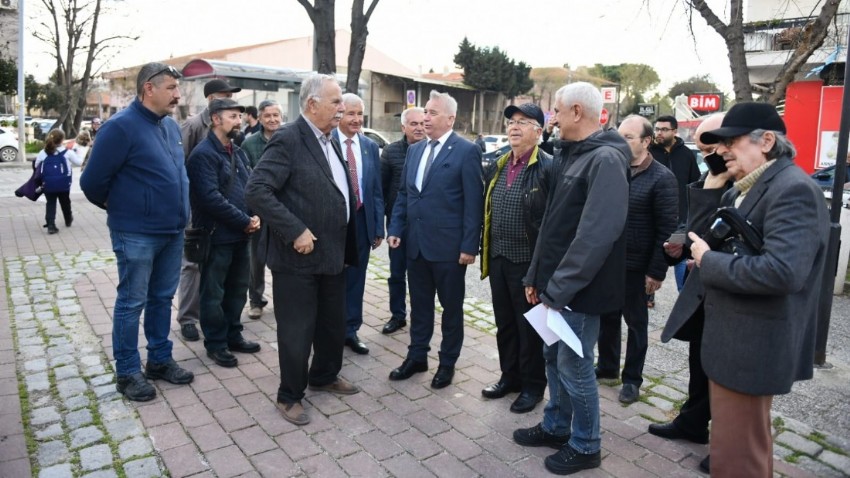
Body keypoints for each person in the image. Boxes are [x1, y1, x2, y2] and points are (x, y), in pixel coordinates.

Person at [665, 103, 828, 477]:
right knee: (735, 449)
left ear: (767, 140)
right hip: (733, 343)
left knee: (739, 457)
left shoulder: (793, 190)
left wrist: (710, 262)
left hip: (752, 346)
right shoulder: (747, 187)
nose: (721, 151)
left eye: (731, 141)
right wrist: (712, 189)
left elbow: (783, 273)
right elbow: (701, 234)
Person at [512, 82, 630, 475]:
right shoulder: (570, 155)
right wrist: (537, 275)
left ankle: (585, 444)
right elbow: (552, 224)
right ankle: (557, 426)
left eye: (557, 111)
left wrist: (559, 289)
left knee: (574, 365)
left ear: (576, 112)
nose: (553, 119)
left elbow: (595, 236)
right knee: (553, 358)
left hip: (579, 290)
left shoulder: (605, 160)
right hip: (555, 285)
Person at [245, 74, 360, 426]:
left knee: (331, 323)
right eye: (336, 102)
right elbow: (257, 190)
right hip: (298, 257)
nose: (343, 108)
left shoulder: (330, 139)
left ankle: (324, 375)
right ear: (312, 105)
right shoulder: (288, 138)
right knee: (297, 330)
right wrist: (295, 229)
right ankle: (289, 394)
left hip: (332, 254)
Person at [80, 62, 194, 401]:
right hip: (137, 234)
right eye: (172, 88)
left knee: (161, 298)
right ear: (149, 88)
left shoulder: (171, 127)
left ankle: (159, 359)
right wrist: (126, 210)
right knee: (132, 302)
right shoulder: (120, 127)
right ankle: (128, 371)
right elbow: (91, 183)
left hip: (173, 231)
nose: (177, 94)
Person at [386, 90, 484, 389]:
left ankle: (447, 363)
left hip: (449, 249)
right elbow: (405, 194)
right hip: (415, 244)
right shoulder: (415, 150)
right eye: (425, 112)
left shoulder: (466, 151)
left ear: (450, 118)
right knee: (420, 305)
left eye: (432, 113)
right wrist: (396, 228)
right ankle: (417, 356)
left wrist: (470, 245)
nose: (425, 118)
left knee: (451, 309)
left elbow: (473, 202)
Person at [649, 113, 725, 474]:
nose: (708, 154)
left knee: (722, 369)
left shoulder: (741, 182)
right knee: (700, 358)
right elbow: (692, 219)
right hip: (703, 285)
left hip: (728, 286)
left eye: (713, 147)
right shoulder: (711, 174)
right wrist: (675, 243)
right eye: (703, 147)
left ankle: (728, 442)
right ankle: (693, 423)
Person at [596, 115, 678, 404]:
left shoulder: (662, 178)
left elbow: (668, 231)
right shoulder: (611, 168)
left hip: (637, 266)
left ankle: (632, 379)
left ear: (646, 141)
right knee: (606, 317)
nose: (622, 141)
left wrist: (656, 272)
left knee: (636, 324)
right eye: (620, 135)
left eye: (629, 137)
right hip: (607, 261)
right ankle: (606, 367)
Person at [480, 103, 553, 413]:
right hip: (498, 257)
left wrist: (538, 273)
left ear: (539, 131)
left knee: (530, 328)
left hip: (527, 263)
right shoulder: (497, 163)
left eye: (524, 122)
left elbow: (551, 226)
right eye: (511, 121)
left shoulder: (548, 167)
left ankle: (533, 386)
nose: (514, 126)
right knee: (505, 324)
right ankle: (509, 377)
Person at [186, 98, 262, 368]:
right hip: (217, 236)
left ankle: (233, 335)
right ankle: (216, 344)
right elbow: (210, 198)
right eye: (233, 116)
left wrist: (255, 216)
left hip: (241, 235)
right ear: (216, 119)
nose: (239, 121)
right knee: (213, 293)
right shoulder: (203, 154)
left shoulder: (236, 151)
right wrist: (244, 220)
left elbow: (249, 187)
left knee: (237, 290)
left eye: (240, 117)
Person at [177, 78, 242, 342]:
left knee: (219, 266)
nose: (228, 98)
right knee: (193, 262)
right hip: (198, 205)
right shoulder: (193, 126)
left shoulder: (231, 126)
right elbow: (180, 165)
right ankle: (188, 318)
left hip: (225, 210)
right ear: (211, 99)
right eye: (224, 95)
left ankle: (216, 318)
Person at [331, 93, 384, 355]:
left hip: (362, 222)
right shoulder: (327, 142)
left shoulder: (370, 146)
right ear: (339, 113)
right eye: (351, 113)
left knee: (357, 278)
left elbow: (375, 190)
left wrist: (378, 228)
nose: (356, 119)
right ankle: (329, 330)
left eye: (360, 114)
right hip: (335, 224)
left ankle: (351, 330)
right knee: (332, 278)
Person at [380, 107, 425, 334]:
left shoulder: (432, 150)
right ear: (403, 127)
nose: (418, 128)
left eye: (421, 123)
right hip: (398, 224)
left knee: (421, 275)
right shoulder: (391, 152)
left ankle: (420, 316)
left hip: (424, 226)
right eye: (413, 124)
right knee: (397, 273)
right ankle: (397, 315)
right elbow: (381, 188)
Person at [241, 99, 283, 320]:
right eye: (268, 115)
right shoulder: (249, 145)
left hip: (283, 211)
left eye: (276, 115)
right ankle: (256, 301)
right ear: (260, 118)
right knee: (256, 259)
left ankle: (284, 300)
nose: (272, 119)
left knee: (283, 259)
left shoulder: (289, 139)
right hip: (257, 211)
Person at [649, 115, 700, 293]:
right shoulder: (650, 152)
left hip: (679, 221)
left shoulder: (686, 154)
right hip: (653, 219)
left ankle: (683, 294)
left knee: (680, 257)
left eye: (664, 129)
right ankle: (648, 295)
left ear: (674, 131)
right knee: (651, 256)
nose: (659, 133)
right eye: (657, 129)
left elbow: (695, 185)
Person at [35, 129, 83, 234]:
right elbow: (79, 162)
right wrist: (79, 151)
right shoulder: (68, 152)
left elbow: (36, 166)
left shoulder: (43, 152)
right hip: (64, 183)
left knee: (50, 202)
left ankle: (51, 225)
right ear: (62, 140)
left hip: (48, 183)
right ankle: (68, 219)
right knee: (65, 201)